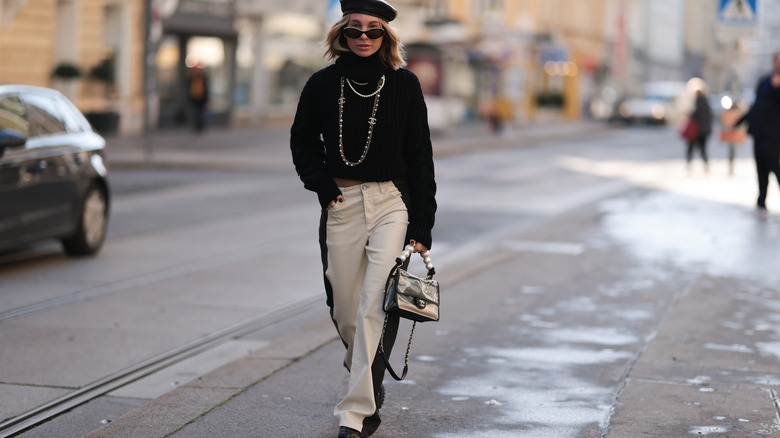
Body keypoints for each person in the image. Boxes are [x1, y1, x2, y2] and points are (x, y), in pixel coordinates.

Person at [289, 1, 436, 437]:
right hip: (342, 203)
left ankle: (355, 414)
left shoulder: (405, 85)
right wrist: (324, 187)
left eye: (374, 31)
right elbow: (301, 142)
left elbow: (421, 157)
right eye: (356, 31)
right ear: (343, 36)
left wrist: (422, 224)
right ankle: (367, 374)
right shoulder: (321, 84)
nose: (365, 38)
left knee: (374, 305)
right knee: (345, 310)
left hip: (392, 201)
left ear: (386, 37)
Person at [735, 50, 780, 211]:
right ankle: (761, 200)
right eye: (777, 59)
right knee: (761, 169)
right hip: (759, 133)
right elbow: (757, 105)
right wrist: (740, 121)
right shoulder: (765, 80)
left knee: (775, 167)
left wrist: (777, 89)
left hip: (774, 135)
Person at [686, 88, 713, 173]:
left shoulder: (699, 102)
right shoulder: (706, 102)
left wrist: (690, 114)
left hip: (698, 131)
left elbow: (696, 115)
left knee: (691, 148)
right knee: (703, 149)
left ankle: (690, 164)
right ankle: (705, 165)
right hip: (704, 131)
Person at [719, 102, 747, 176]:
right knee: (732, 152)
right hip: (733, 137)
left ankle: (731, 167)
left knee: (732, 152)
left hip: (733, 137)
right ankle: (731, 167)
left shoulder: (730, 114)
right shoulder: (735, 113)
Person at [187, 64, 209, 133]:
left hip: (201, 98)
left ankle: (200, 127)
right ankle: (195, 126)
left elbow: (206, 88)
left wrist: (206, 98)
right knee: (195, 113)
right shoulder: (191, 77)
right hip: (194, 97)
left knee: (200, 113)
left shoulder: (203, 78)